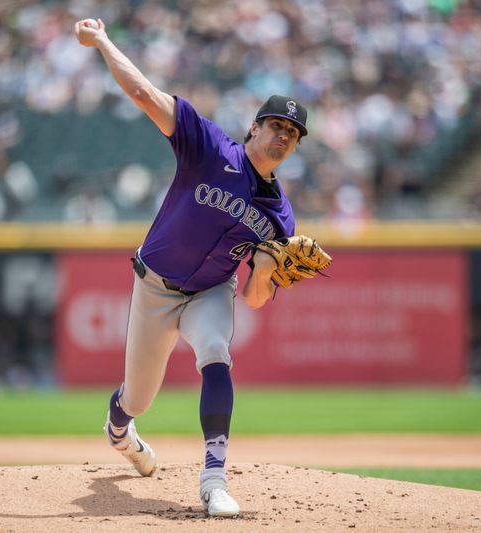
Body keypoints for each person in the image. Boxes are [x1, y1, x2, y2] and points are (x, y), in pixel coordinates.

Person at [75, 17, 308, 518]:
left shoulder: (281, 216)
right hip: (154, 288)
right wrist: (102, 41)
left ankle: (214, 480)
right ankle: (119, 430)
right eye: (276, 125)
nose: (283, 136)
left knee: (216, 352)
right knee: (137, 399)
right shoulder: (207, 147)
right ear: (255, 127)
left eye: (293, 133)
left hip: (210, 292)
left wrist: (266, 271)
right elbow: (142, 92)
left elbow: (253, 299)